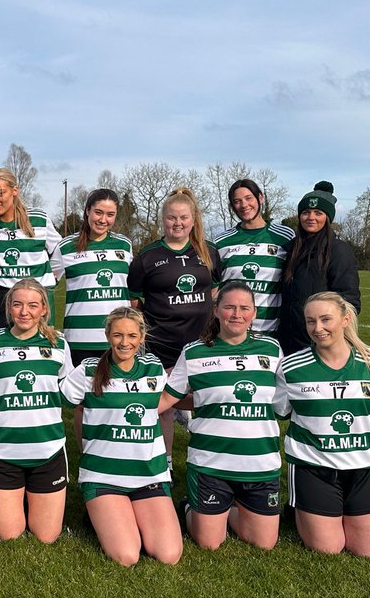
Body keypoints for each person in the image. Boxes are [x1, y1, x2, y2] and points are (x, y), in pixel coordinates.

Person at [275, 291, 370, 557]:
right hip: (314, 466)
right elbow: (280, 411)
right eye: (311, 321)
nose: (318, 328)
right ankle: (305, 508)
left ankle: (337, 509)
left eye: (325, 319)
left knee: (368, 550)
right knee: (327, 548)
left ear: (345, 319)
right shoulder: (290, 367)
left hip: (365, 468)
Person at [158, 281, 283, 550]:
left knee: (264, 543)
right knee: (209, 542)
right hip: (211, 462)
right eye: (229, 307)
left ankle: (228, 510)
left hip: (259, 464)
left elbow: (283, 403)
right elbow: (168, 397)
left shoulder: (273, 350)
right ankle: (193, 507)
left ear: (254, 313)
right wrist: (115, 407)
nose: (237, 314)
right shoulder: (195, 351)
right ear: (216, 310)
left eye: (244, 308)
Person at [60, 306, 181, 566]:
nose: (124, 343)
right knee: (127, 555)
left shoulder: (153, 368)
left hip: (149, 474)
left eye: (131, 336)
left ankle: (127, 516)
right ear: (107, 336)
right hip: (104, 476)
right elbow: (57, 400)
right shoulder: (88, 370)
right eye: (117, 335)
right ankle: (100, 514)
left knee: (169, 555)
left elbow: (166, 402)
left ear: (142, 337)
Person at [127, 187, 222, 462]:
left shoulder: (208, 252)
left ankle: (211, 457)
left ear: (193, 219)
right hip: (163, 343)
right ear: (163, 219)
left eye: (183, 217)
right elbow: (135, 300)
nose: (177, 223)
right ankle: (165, 462)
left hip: (202, 341)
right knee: (163, 405)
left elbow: (215, 292)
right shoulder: (146, 256)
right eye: (171, 218)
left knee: (209, 397)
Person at [0, 278, 72, 544]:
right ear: (9, 308)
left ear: (44, 309)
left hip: (47, 449)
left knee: (46, 537)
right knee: (9, 535)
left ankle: (33, 497)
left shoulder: (59, 344)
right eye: (17, 304)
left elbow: (68, 388)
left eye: (32, 305)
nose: (24, 312)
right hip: (2, 450)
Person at [279, 181, 360, 356]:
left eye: (318, 212)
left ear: (328, 217)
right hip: (287, 342)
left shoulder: (338, 250)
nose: (311, 217)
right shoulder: (289, 249)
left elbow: (349, 300)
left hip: (319, 343)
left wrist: (327, 333)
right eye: (306, 212)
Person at [56, 187, 134, 367]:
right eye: (98, 212)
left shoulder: (124, 245)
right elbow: (46, 286)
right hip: (79, 340)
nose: (103, 219)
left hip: (119, 340)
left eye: (110, 214)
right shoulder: (66, 247)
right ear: (87, 211)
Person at [0, 167, 60, 332]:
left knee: (40, 354)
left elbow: (61, 253)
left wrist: (52, 279)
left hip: (36, 301)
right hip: (2, 303)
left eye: (0, 193)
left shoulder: (39, 219)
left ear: (14, 190)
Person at [214, 178, 295, 337]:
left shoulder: (286, 236)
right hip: (231, 333)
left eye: (248, 198)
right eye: (237, 201)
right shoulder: (221, 241)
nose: (244, 205)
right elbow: (214, 287)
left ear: (260, 198)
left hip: (272, 332)